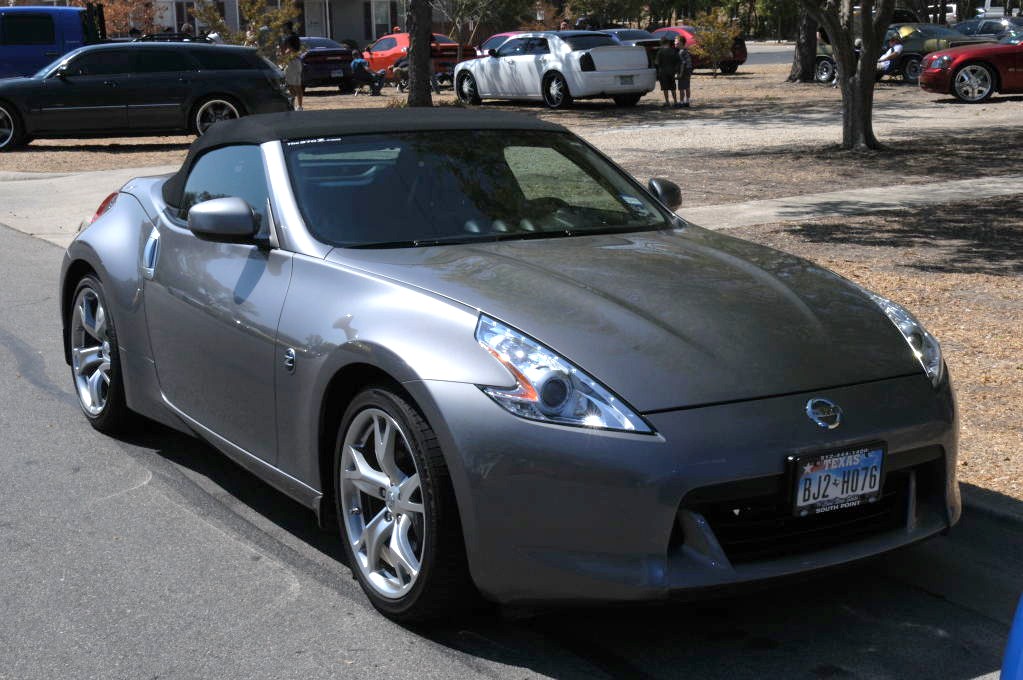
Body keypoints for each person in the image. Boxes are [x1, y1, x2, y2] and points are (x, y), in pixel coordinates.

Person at [654, 36, 680, 108]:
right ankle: (675, 102)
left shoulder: (660, 52)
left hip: (663, 72)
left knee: (665, 88)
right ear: (668, 43)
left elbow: (656, 62)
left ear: (661, 43)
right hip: (672, 72)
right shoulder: (673, 51)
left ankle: (667, 102)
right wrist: (676, 70)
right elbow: (678, 61)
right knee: (673, 87)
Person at [282, 34, 304, 110]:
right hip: (298, 64)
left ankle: (292, 104)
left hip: (292, 65)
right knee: (298, 86)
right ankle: (300, 106)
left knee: (289, 85)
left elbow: (284, 55)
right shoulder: (299, 50)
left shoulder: (289, 51)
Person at [675, 35, 693, 108]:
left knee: (681, 87)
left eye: (676, 41)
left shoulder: (681, 52)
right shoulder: (686, 50)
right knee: (687, 86)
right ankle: (687, 101)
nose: (674, 43)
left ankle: (681, 102)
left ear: (681, 43)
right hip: (688, 70)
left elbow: (682, 64)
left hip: (684, 71)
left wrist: (680, 74)